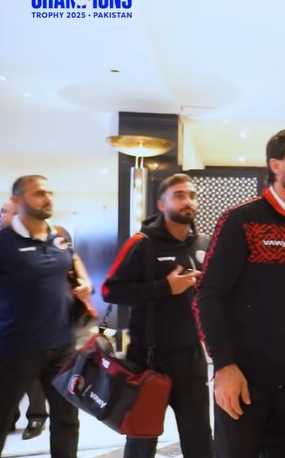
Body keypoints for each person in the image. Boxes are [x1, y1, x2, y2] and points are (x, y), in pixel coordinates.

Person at [195, 128, 285, 458]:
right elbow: (208, 295)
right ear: (276, 165)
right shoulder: (241, 220)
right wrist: (224, 366)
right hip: (245, 380)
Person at [102, 173, 213, 458]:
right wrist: (165, 287)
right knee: (142, 438)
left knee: (199, 436)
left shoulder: (204, 242)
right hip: (149, 359)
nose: (188, 201)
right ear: (161, 204)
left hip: (192, 358)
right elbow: (109, 290)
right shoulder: (142, 243)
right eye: (179, 195)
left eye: (192, 195)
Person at [0, 175, 82, 457]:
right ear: (17, 200)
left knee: (67, 418)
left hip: (62, 345)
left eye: (49, 193)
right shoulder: (4, 243)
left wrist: (83, 283)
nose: (47, 198)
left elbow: (71, 266)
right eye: (38, 193)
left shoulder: (60, 238)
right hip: (15, 348)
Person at [0, 199, 49, 440]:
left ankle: (37, 415)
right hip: (6, 318)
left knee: (31, 373)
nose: (1, 216)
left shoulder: (38, 238)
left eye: (5, 211)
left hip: (32, 320)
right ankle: (10, 417)